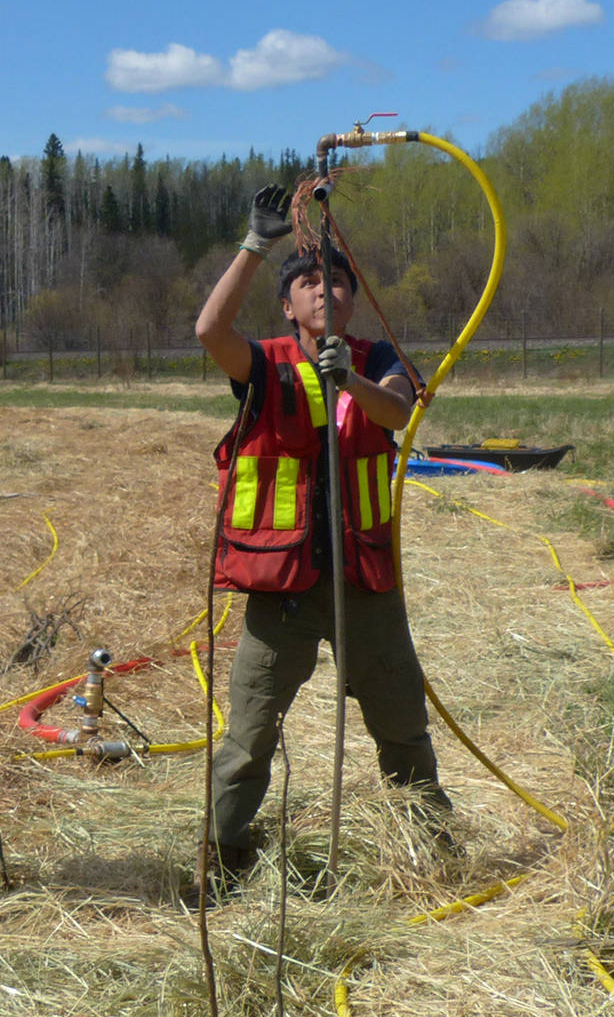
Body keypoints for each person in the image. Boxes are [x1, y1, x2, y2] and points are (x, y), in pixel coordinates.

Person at [191, 185, 450, 902]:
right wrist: (255, 245)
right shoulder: (265, 364)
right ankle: (223, 864)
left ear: (353, 297)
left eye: (337, 282)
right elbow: (210, 333)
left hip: (366, 584)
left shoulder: (380, 355)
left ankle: (431, 853)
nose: (324, 292)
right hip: (283, 592)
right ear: (287, 303)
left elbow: (397, 409)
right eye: (308, 283)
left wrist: (352, 380)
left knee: (402, 728)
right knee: (248, 739)